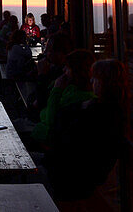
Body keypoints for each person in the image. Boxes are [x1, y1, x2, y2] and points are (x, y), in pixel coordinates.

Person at [45, 59, 128, 206]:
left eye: (95, 77)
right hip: (71, 175)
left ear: (105, 83)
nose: (91, 80)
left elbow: (66, 138)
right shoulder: (109, 110)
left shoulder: (100, 114)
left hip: (72, 181)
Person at [32, 49, 96, 147]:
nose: (64, 70)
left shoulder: (80, 96)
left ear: (76, 71)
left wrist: (56, 90)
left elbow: (50, 119)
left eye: (67, 67)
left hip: (50, 145)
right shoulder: (70, 88)